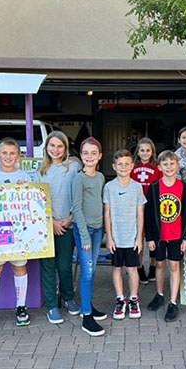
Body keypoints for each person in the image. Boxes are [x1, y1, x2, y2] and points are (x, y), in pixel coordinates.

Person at [0, 137, 32, 330]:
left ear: (18, 156)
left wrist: (26, 188)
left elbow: (32, 203)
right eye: (4, 153)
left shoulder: (25, 176)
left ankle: (21, 306)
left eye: (12, 153)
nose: (8, 157)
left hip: (18, 232)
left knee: (19, 267)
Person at [36, 131, 80, 324]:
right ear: (46, 148)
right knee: (48, 266)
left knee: (64, 266)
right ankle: (52, 305)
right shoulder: (40, 171)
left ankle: (68, 297)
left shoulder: (74, 167)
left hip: (68, 224)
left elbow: (80, 194)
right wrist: (50, 221)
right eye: (52, 146)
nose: (56, 150)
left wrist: (71, 218)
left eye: (60, 146)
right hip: (47, 226)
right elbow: (37, 200)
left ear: (66, 148)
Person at [146, 150, 186, 322]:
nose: (169, 167)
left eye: (172, 163)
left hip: (176, 235)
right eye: (165, 164)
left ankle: (173, 302)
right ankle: (159, 294)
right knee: (159, 264)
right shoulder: (154, 188)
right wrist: (150, 237)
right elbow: (149, 214)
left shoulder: (185, 188)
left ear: (177, 165)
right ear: (159, 167)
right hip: (159, 235)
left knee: (173, 266)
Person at [103, 149, 146, 320]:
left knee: (132, 269)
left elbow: (140, 214)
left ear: (132, 166)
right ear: (114, 166)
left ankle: (133, 299)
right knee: (117, 268)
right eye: (120, 164)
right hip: (116, 238)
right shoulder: (109, 187)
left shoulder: (137, 187)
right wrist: (109, 237)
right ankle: (120, 299)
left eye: (127, 164)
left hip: (132, 237)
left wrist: (139, 237)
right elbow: (107, 213)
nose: (123, 167)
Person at [72, 137, 106, 336]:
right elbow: (76, 207)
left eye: (94, 153)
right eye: (86, 153)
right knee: (86, 272)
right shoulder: (79, 178)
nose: (90, 157)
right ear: (81, 156)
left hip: (98, 229)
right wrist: (84, 237)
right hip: (84, 231)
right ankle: (86, 316)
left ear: (100, 156)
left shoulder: (101, 177)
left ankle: (88, 304)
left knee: (92, 272)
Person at [130, 137, 162, 284]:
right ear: (138, 151)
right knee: (139, 237)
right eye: (142, 150)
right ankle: (139, 266)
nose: (145, 153)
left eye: (148, 150)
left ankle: (154, 265)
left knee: (153, 237)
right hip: (137, 206)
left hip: (153, 205)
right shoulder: (133, 166)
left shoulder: (157, 166)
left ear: (152, 151)